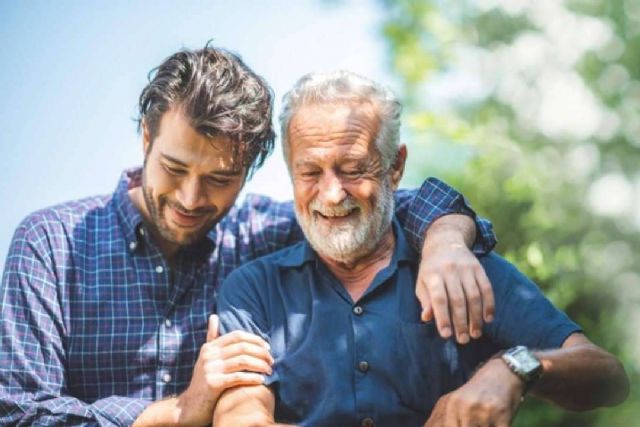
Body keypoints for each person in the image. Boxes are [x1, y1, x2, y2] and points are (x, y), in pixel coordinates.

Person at [0, 46, 497, 426]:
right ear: (147, 140)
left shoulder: (265, 233)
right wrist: (178, 411)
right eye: (174, 169)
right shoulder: (51, 243)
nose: (192, 198)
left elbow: (378, 204)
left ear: (252, 169)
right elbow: (18, 413)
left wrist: (446, 240)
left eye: (220, 179)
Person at [214, 70, 630, 427]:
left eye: (354, 169)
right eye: (309, 172)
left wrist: (514, 367)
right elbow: (240, 416)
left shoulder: (462, 269)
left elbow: (607, 377)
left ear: (395, 167)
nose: (332, 194)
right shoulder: (254, 289)